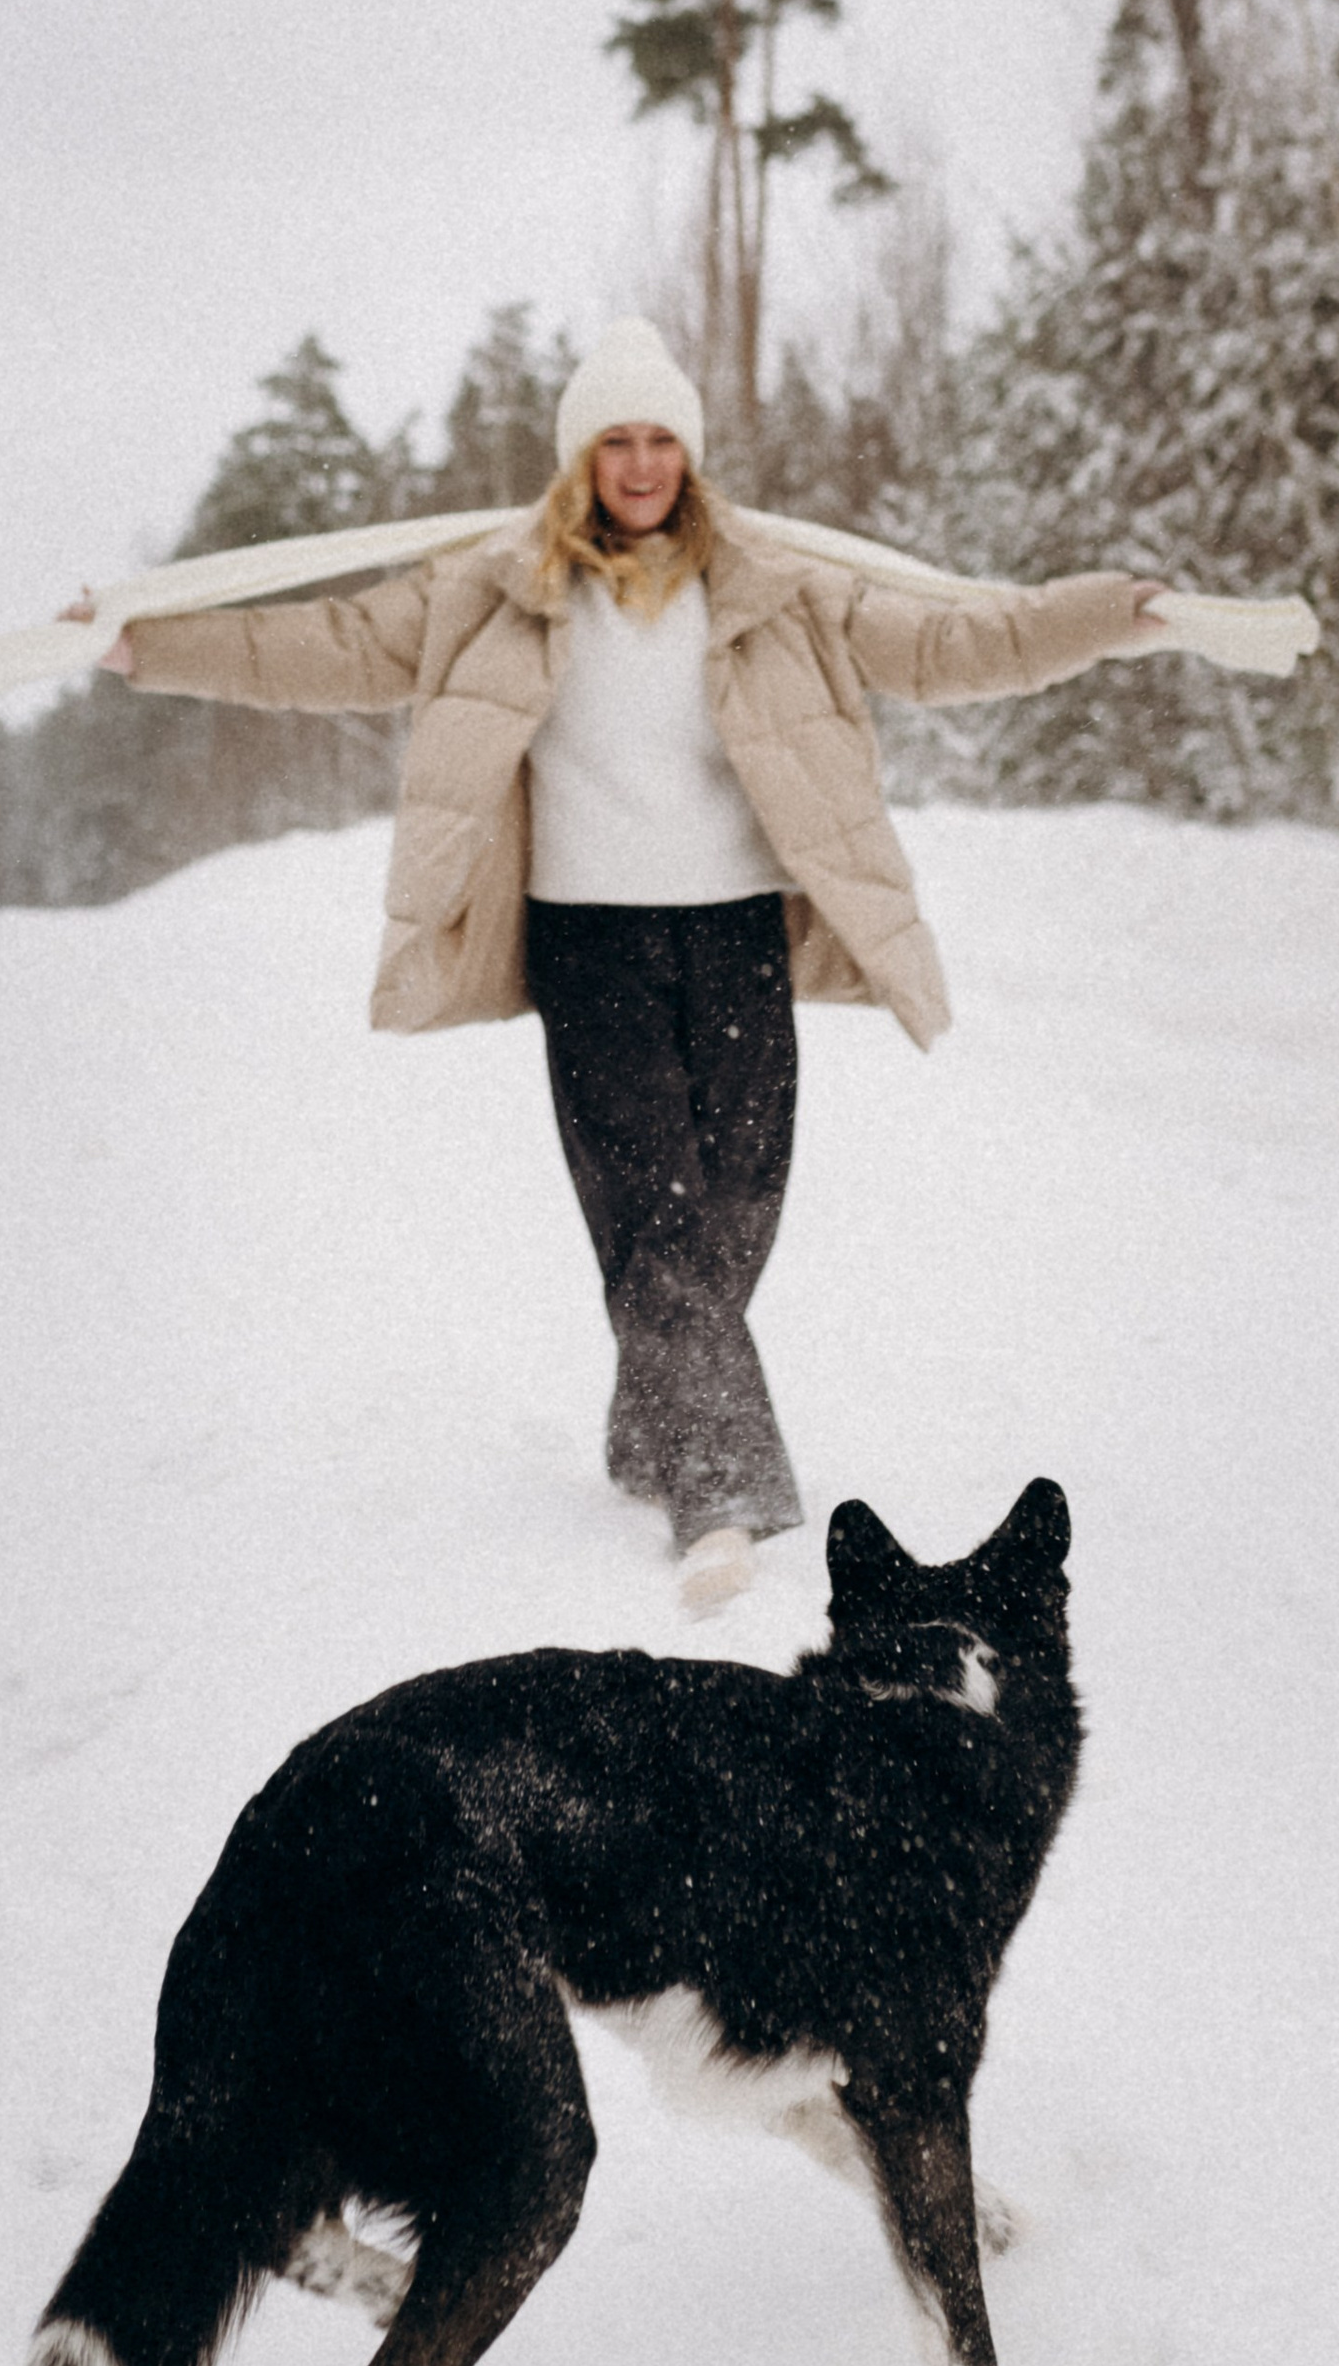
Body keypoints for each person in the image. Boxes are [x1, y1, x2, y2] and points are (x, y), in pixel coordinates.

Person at [74, 318, 1171, 1612]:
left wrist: (1112, 616)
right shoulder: (492, 589)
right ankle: (720, 1491)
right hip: (588, 937)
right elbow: (320, 649)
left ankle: (653, 1416)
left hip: (736, 931)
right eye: (617, 441)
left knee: (742, 1199)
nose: (641, 463)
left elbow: (955, 644)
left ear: (689, 458)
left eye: (662, 440)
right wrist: (149, 640)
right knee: (657, 1211)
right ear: (580, 458)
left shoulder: (774, 584)